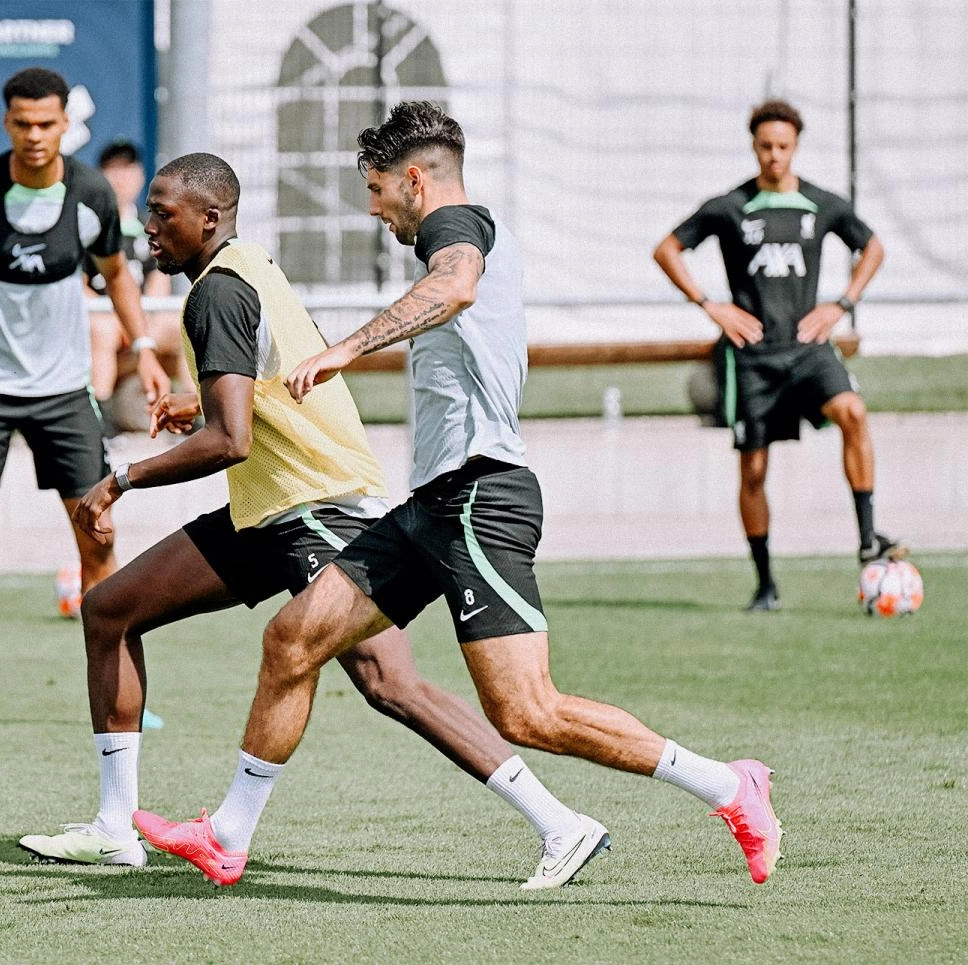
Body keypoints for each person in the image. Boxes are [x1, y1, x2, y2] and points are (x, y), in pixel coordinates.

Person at [134, 103, 782, 888]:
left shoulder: (459, 229)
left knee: (528, 713)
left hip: (483, 497)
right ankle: (228, 834)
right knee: (291, 641)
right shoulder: (442, 243)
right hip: (429, 508)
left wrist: (346, 346)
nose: (374, 209)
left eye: (377, 190)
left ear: (415, 179)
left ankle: (728, 784)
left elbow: (457, 286)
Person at [18, 152, 607, 890]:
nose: (148, 228)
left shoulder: (218, 294)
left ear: (210, 217)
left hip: (320, 507)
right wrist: (196, 409)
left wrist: (120, 479)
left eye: (162, 213)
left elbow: (228, 441)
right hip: (270, 509)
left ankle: (561, 822)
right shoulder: (243, 266)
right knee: (110, 609)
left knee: (391, 683)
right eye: (149, 213)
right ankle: (114, 828)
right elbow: (254, 399)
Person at [0, 68, 171, 735]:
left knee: (96, 532)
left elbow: (117, 275)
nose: (34, 135)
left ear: (63, 123)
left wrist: (143, 348)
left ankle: (123, 685)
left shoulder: (89, 194)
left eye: (46, 123)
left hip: (63, 390)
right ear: (8, 124)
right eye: (23, 123)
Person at [653, 98, 900, 612]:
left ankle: (868, 536)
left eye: (783, 146)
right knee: (754, 471)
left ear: (796, 147)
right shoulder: (729, 206)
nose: (774, 156)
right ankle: (765, 584)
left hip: (809, 350)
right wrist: (710, 305)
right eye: (765, 146)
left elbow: (872, 247)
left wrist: (843, 303)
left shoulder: (821, 204)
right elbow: (667, 249)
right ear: (754, 147)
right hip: (752, 358)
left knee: (853, 412)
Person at [85, 140, 191, 432]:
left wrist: (139, 324)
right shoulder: (88, 226)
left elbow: (159, 281)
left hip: (141, 328)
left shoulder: (152, 227)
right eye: (113, 170)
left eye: (128, 169)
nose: (121, 178)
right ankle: (99, 420)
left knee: (180, 326)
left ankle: (195, 412)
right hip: (101, 326)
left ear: (142, 175)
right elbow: (78, 284)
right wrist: (121, 320)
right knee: (102, 329)